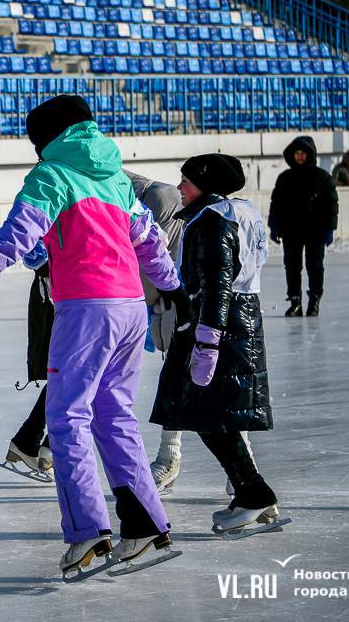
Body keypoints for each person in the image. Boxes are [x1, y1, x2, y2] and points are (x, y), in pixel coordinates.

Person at [0, 96, 188, 580]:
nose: (35, 149)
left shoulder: (52, 175)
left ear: (49, 137)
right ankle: (144, 524)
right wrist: (173, 286)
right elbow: (148, 239)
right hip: (130, 309)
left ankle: (87, 532)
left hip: (86, 310)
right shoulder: (117, 178)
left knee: (66, 419)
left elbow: (19, 231)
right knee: (114, 415)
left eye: (36, 139)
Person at [150, 154, 287, 539]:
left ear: (206, 185)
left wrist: (207, 341)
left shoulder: (212, 220)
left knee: (206, 413)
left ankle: (252, 492)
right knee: (209, 414)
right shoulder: (242, 211)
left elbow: (216, 282)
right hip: (240, 321)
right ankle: (251, 489)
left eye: (186, 182)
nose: (179, 189)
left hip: (218, 325)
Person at [124, 171, 191, 495]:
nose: (181, 187)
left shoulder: (159, 200)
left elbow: (153, 259)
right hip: (172, 304)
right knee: (178, 383)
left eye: (187, 181)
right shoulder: (157, 198)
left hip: (178, 305)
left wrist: (150, 301)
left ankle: (170, 458)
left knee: (190, 386)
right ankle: (169, 458)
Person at [0, 241, 54, 483]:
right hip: (64, 294)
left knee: (73, 375)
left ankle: (29, 441)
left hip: (71, 292)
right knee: (82, 375)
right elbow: (32, 251)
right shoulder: (50, 207)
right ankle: (48, 447)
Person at [268, 136, 338, 317]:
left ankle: (314, 301)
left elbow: (331, 205)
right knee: (292, 266)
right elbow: (276, 204)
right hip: (292, 231)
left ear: (310, 154)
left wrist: (330, 229)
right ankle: (295, 301)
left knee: (315, 266)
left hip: (315, 231)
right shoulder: (285, 178)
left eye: (303, 153)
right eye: (296, 153)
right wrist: (274, 226)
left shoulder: (322, 178)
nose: (299, 157)